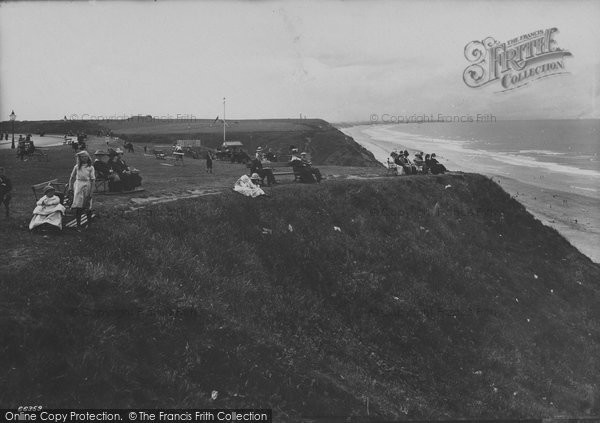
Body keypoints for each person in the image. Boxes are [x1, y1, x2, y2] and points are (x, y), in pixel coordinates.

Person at [68, 151, 95, 230]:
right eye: (82, 157)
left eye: (86, 156)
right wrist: (70, 187)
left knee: (87, 204)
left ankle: (89, 224)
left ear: (88, 157)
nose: (84, 158)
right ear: (80, 158)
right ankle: (78, 225)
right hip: (78, 186)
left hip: (87, 185)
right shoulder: (77, 167)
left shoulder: (90, 167)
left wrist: (91, 192)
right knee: (79, 205)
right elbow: (71, 177)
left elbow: (93, 180)